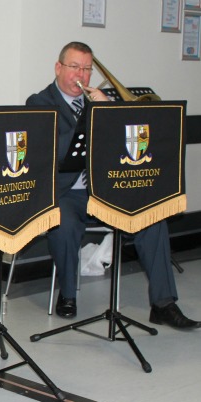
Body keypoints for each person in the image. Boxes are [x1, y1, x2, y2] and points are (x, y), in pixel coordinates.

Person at [26, 41, 200, 329]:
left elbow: (129, 146)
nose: (80, 75)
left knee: (152, 218)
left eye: (86, 69)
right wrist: (95, 117)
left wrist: (110, 113)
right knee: (64, 224)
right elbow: (55, 152)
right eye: (74, 67)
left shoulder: (102, 101)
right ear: (58, 68)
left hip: (107, 191)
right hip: (69, 192)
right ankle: (67, 295)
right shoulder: (39, 103)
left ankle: (163, 303)